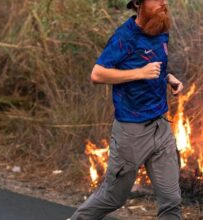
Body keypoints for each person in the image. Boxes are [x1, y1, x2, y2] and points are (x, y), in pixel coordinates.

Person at [69, 0, 184, 219]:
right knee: (113, 197)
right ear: (139, 3)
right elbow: (98, 74)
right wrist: (140, 73)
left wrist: (169, 78)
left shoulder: (160, 30)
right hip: (132, 131)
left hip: (160, 127)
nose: (164, 3)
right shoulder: (125, 37)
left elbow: (156, 65)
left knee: (171, 201)